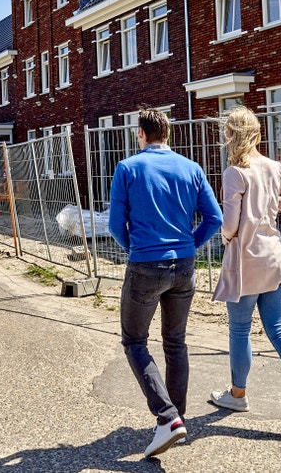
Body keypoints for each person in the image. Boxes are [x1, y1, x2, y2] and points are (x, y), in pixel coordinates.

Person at [108, 108, 222, 457]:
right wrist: (191, 243)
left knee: (134, 340)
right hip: (185, 264)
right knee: (176, 342)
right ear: (168, 134)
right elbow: (214, 218)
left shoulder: (128, 168)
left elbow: (115, 225)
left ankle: (167, 417)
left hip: (145, 263)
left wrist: (135, 248)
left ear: (140, 133)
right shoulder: (192, 168)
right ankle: (179, 418)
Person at [208, 106, 281, 434]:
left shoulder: (235, 171)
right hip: (275, 260)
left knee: (240, 330)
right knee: (279, 331)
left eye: (226, 132)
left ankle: (237, 395)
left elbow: (230, 223)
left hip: (246, 263)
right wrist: (272, 206)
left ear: (232, 134)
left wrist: (225, 234)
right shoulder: (274, 167)